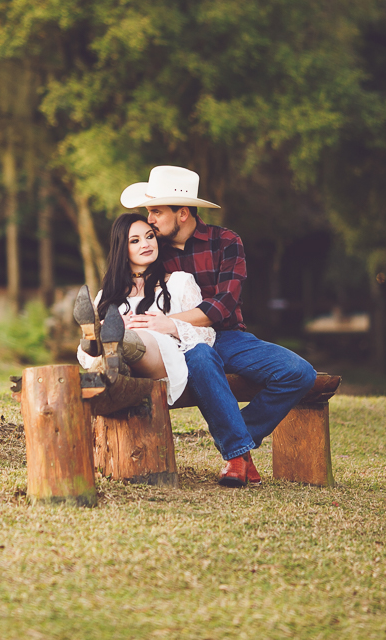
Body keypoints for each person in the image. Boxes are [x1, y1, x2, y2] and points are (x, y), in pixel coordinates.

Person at [118, 165, 317, 488]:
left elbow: (223, 306)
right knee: (199, 356)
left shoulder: (226, 242)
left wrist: (170, 320)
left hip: (228, 336)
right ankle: (238, 457)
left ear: (182, 213)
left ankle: (237, 443)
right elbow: (129, 281)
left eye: (156, 211)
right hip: (179, 344)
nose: (150, 219)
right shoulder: (154, 250)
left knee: (300, 373)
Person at [75, 213, 215, 406]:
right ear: (122, 250)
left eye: (150, 236)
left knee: (135, 337)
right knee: (109, 363)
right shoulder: (107, 295)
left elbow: (208, 336)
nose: (146, 244)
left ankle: (116, 338)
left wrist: (171, 325)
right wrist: (103, 325)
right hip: (123, 371)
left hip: (164, 362)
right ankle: (106, 341)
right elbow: (84, 355)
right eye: (135, 241)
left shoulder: (180, 282)